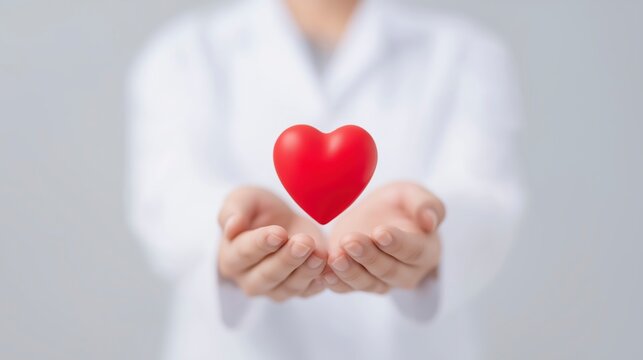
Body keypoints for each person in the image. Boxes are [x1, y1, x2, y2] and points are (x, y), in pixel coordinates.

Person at [127, 0, 524, 358]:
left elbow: (485, 198)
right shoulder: (184, 55)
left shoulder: (466, 53)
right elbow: (168, 196)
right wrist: (232, 233)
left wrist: (427, 233)